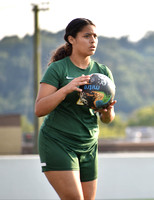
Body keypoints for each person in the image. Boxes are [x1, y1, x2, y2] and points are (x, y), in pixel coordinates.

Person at [35, 18, 116, 200]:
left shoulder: (102, 73)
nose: (93, 40)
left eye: (95, 36)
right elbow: (39, 109)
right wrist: (66, 89)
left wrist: (107, 112)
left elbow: (107, 119)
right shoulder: (58, 69)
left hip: (88, 145)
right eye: (87, 36)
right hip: (58, 142)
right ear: (71, 39)